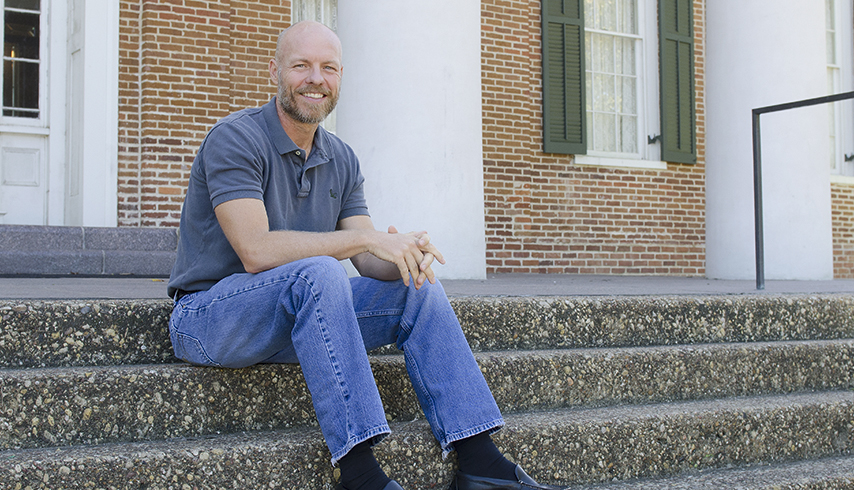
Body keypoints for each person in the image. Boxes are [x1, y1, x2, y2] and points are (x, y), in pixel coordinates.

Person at [167, 20, 568, 490]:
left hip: (292, 320)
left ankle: (480, 463)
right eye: (302, 65)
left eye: (329, 68)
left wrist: (402, 254)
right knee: (317, 274)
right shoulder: (236, 138)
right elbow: (255, 251)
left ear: (339, 78)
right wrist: (365, 241)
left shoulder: (342, 157)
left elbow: (365, 256)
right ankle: (360, 476)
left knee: (413, 288)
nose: (316, 78)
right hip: (209, 319)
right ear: (275, 70)